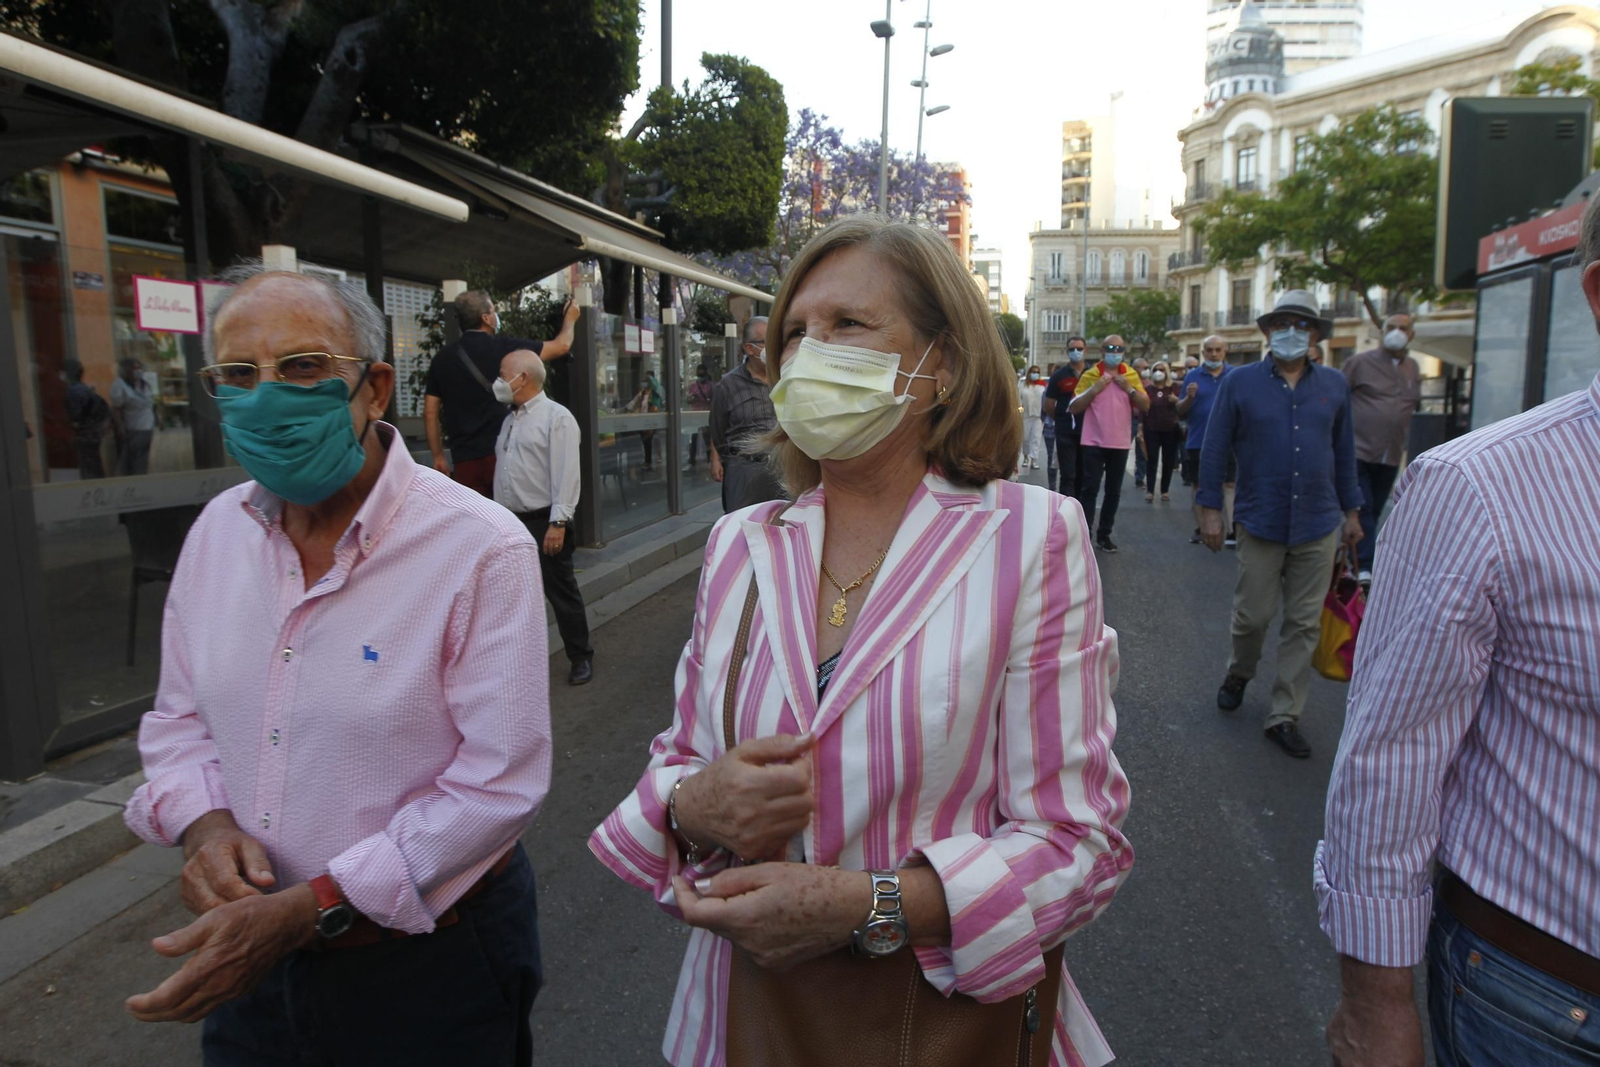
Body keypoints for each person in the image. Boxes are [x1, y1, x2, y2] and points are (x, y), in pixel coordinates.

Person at [588, 216, 1132, 1067]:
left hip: (939, 1023)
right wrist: (693, 805)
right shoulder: (743, 543)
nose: (809, 353)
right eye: (793, 333)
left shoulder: (1032, 538)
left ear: (940, 364)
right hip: (744, 1020)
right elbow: (681, 757)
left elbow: (1076, 841)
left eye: (847, 325)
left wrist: (868, 905)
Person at [123, 264, 551, 1064]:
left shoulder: (479, 547)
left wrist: (311, 906)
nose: (269, 395)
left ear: (376, 386)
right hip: (251, 956)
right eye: (239, 375)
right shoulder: (217, 533)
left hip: (428, 969)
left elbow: (499, 784)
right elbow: (178, 719)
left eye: (303, 367)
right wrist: (205, 828)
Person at [1318, 197, 1600, 1067]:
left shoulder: (1398, 385)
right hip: (1544, 1004)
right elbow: (1391, 758)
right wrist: (1376, 1004)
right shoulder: (1481, 491)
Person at [1198, 291, 1363, 759]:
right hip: (1261, 515)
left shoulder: (1333, 385)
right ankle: (1240, 671)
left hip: (1318, 520)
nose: (1293, 331)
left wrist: (1352, 512)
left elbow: (1344, 452)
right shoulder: (1240, 383)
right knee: (1253, 615)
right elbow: (1215, 446)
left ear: (1314, 335)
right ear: (1268, 331)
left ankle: (1284, 714)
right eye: (1283, 323)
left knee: (1303, 624)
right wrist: (1211, 508)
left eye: (1303, 324)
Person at [493, 349, 594, 687]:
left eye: (502, 372)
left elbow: (567, 474)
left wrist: (558, 523)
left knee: (561, 592)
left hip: (544, 522)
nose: (498, 380)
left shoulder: (557, 417)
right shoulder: (511, 419)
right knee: (515, 597)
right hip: (511, 522)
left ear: (522, 378)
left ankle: (580, 656)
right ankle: (521, 661)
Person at [424, 289, 580, 497]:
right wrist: (570, 319)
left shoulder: (441, 359)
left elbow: (430, 412)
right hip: (504, 455)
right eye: (494, 310)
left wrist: (438, 456)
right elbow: (561, 347)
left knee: (476, 522)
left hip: (464, 461)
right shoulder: (506, 347)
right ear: (486, 318)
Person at [1340, 313, 1420, 585]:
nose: (1397, 332)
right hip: (1358, 449)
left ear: (1411, 334)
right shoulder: (1358, 363)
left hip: (1391, 453)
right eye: (1391, 327)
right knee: (1363, 507)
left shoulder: (1412, 367)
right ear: (1382, 331)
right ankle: (1365, 568)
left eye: (1403, 328)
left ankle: (1356, 557)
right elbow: (1339, 399)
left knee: (1373, 512)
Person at [1069, 335, 1149, 553]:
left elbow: (1145, 405)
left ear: (1124, 351)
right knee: (1089, 489)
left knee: (1113, 491)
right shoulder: (1091, 374)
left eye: (1119, 349)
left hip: (1120, 442)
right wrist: (1094, 390)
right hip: (1093, 440)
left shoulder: (1130, 375)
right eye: (1110, 349)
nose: (1115, 352)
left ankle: (1105, 534)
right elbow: (1074, 407)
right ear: (1102, 351)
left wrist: (1129, 389)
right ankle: (1083, 535)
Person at [709, 316, 785, 512]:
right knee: (741, 533)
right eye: (766, 342)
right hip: (744, 472)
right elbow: (718, 430)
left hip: (783, 468)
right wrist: (722, 461)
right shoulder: (728, 384)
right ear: (750, 349)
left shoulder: (786, 377)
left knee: (784, 533)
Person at [1177, 336, 1235, 544]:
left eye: (1218, 350)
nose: (1213, 354)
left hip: (1229, 441)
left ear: (1224, 351)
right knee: (1199, 485)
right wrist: (1189, 398)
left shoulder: (1234, 375)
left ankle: (1230, 530)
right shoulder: (1193, 376)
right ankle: (1202, 528)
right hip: (1198, 439)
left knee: (1229, 484)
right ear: (1203, 353)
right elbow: (1180, 411)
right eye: (1209, 350)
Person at [1043, 339, 1087, 498]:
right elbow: (1048, 406)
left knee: (1084, 474)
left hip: (1088, 432)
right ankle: (1067, 510)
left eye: (1079, 348)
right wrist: (1062, 419)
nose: (1076, 351)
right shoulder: (1059, 376)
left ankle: (1081, 509)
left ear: (1085, 350)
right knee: (1068, 474)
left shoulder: (1092, 374)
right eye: (1072, 349)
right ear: (1067, 352)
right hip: (1065, 432)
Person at [1141, 359, 1183, 502]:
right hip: (1151, 428)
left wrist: (1176, 400)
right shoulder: (1148, 390)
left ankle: (1165, 490)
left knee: (1168, 461)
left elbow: (1182, 406)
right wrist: (1140, 427)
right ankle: (1150, 490)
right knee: (1151, 460)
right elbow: (1143, 409)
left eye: (1162, 370)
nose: (1159, 373)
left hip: (1170, 429)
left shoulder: (1174, 388)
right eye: (1156, 370)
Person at [62, 358, 108, 479]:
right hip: (94, 432)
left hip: (84, 434)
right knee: (94, 463)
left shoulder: (72, 390)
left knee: (88, 466)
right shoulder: (84, 388)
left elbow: (75, 416)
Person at [110, 356, 155, 475]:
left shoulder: (144, 384)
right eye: (135, 368)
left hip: (147, 428)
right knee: (131, 461)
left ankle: (141, 481)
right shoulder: (119, 385)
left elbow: (150, 403)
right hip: (133, 428)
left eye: (139, 368)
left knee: (142, 460)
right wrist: (120, 427)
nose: (138, 371)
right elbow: (116, 409)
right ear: (126, 369)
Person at [686, 361, 715, 468]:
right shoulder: (693, 386)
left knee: (707, 437)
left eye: (702, 375)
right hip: (695, 415)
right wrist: (692, 397)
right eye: (699, 375)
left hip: (706, 414)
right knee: (694, 437)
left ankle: (709, 458)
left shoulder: (711, 386)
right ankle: (692, 459)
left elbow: (714, 399)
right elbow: (688, 400)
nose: (700, 377)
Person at [1019, 364, 1046, 470]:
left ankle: (1034, 460)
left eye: (1037, 372)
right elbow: (1018, 402)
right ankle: (1025, 458)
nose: (1036, 374)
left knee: (1036, 438)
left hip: (1038, 417)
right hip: (1025, 416)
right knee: (1025, 438)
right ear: (1029, 373)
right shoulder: (1023, 385)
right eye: (1033, 372)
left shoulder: (1042, 385)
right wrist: (1020, 412)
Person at [1042, 363, 1058, 492]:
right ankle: (1052, 485)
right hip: (1050, 428)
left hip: (1065, 429)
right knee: (1051, 457)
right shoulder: (1048, 389)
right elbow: (1045, 407)